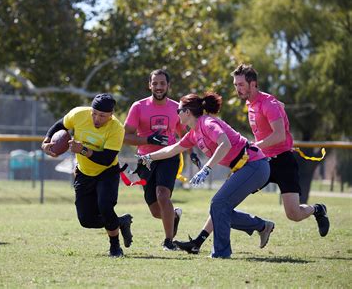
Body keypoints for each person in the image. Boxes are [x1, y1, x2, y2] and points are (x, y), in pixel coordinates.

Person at [138, 92, 274, 259]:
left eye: (179, 110)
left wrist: (206, 169)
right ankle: (262, 226)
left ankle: (221, 253)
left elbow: (225, 144)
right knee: (219, 209)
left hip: (254, 165)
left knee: (219, 204)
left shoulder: (207, 123)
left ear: (187, 112)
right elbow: (173, 149)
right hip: (245, 167)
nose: (176, 113)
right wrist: (148, 157)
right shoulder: (194, 132)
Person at [232, 64, 329, 234]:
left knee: (294, 214)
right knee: (227, 197)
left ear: (253, 84)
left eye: (241, 85)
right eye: (235, 85)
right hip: (262, 162)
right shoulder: (251, 103)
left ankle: (318, 209)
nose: (237, 89)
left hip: (283, 161)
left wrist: (253, 146)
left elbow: (279, 136)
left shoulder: (268, 103)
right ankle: (200, 239)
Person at [41, 93, 133, 258]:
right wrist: (47, 141)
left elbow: (106, 159)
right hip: (84, 173)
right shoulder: (78, 114)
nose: (96, 118)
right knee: (86, 220)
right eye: (94, 113)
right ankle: (120, 222)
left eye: (102, 116)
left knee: (105, 207)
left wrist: (82, 150)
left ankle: (115, 247)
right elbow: (60, 125)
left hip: (107, 172)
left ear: (111, 115)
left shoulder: (117, 128)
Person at [124, 69, 185, 251]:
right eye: (155, 83)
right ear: (149, 85)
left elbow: (185, 134)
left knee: (162, 195)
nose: (159, 87)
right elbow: (125, 137)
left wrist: (192, 152)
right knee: (155, 210)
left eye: (162, 84)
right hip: (146, 159)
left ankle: (168, 241)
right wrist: (148, 140)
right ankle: (174, 216)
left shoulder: (177, 107)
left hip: (169, 156)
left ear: (168, 86)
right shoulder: (138, 107)